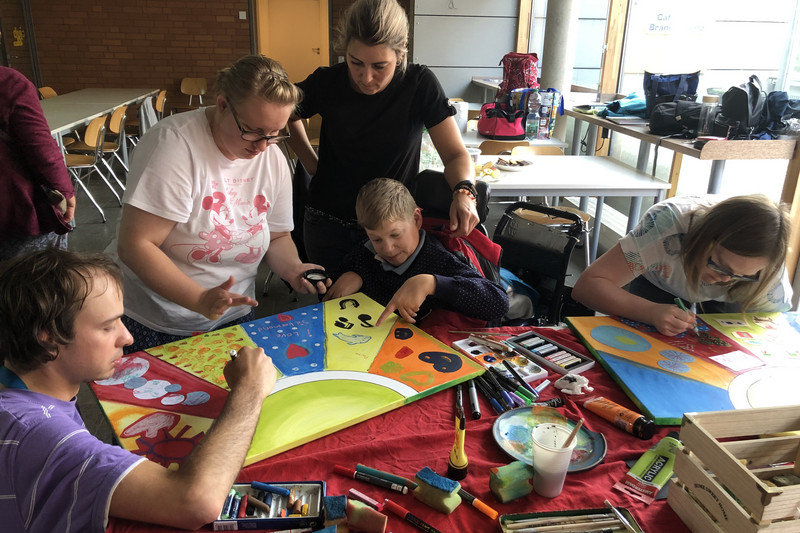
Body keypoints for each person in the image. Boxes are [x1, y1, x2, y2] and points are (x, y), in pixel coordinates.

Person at [0, 248, 278, 533]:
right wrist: (250, 390)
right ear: (48, 338)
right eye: (107, 327)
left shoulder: (18, 391)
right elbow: (196, 502)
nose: (127, 337)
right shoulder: (45, 435)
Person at [115, 55, 329, 354]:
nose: (262, 146)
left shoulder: (272, 159)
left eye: (274, 134)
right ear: (223, 105)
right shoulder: (173, 145)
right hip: (160, 319)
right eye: (252, 130)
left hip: (233, 314)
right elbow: (136, 245)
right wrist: (199, 299)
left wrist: (293, 269)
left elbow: (277, 237)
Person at [286, 0, 479, 272]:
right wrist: (310, 163)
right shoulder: (328, 81)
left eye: (379, 66)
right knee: (332, 309)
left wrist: (464, 190)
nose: (366, 77)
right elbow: (286, 113)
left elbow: (455, 154)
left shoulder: (419, 84)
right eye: (355, 63)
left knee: (393, 311)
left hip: (392, 229)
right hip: (329, 224)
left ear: (400, 54)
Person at [571, 194, 793, 336]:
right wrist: (649, 311)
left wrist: (741, 278)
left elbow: (773, 325)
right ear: (702, 237)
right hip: (661, 283)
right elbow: (588, 287)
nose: (725, 279)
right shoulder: (666, 223)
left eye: (742, 274)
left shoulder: (768, 263)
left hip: (732, 300)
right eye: (719, 265)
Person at [325, 178, 508, 326]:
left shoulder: (440, 259)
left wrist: (432, 283)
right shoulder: (363, 253)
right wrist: (349, 275)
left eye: (395, 235)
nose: (387, 248)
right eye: (377, 239)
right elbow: (328, 296)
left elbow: (499, 302)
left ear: (416, 219)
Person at [0, 66, 75, 260]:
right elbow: (40, 146)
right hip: (14, 210)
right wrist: (65, 192)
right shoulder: (8, 81)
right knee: (35, 284)